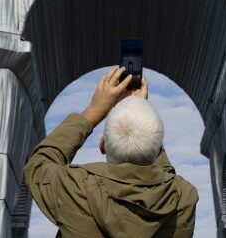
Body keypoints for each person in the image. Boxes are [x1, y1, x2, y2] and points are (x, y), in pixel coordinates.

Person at [24, 67, 198, 237]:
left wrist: (94, 110)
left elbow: (39, 163)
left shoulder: (74, 189)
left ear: (103, 144)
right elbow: (165, 177)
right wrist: (140, 112)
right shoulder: (184, 199)